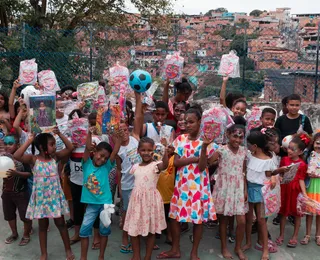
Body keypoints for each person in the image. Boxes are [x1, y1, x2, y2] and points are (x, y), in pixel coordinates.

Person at [157, 108, 218, 260]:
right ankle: (175, 249)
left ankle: (194, 253)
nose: (188, 125)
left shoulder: (207, 142)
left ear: (199, 122)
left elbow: (204, 167)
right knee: (174, 218)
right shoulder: (180, 139)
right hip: (182, 184)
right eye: (186, 122)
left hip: (199, 186)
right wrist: (194, 158)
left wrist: (203, 148)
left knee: (198, 221)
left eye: (191, 122)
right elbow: (177, 162)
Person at [13, 129, 75, 260]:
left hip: (54, 198)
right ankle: (44, 254)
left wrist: (59, 134)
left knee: (61, 224)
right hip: (41, 199)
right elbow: (17, 156)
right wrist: (29, 140)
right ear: (41, 147)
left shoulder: (55, 157)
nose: (54, 147)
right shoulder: (33, 159)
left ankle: (68, 250)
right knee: (43, 226)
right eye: (51, 144)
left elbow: (70, 147)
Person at [243, 131, 287, 260]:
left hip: (261, 191)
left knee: (261, 221)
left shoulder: (268, 160)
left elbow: (269, 175)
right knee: (249, 219)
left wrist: (276, 175)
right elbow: (245, 173)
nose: (248, 147)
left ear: (255, 146)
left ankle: (265, 249)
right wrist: (245, 190)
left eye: (249, 144)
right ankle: (248, 242)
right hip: (249, 189)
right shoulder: (249, 156)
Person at [79, 127, 122, 260]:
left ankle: (101, 256)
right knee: (83, 232)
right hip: (91, 205)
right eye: (100, 155)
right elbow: (86, 148)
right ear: (95, 151)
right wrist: (90, 133)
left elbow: (115, 151)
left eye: (106, 158)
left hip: (106, 204)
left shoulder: (107, 166)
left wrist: (118, 139)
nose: (102, 159)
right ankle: (83, 257)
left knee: (104, 232)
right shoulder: (86, 164)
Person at [124, 137, 168, 260]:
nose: (146, 153)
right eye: (143, 150)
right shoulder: (135, 167)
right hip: (137, 202)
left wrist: (164, 152)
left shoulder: (156, 165)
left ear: (154, 150)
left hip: (151, 201)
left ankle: (147, 256)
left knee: (151, 230)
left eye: (149, 150)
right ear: (138, 151)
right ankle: (136, 256)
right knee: (133, 228)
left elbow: (165, 165)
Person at [209, 124, 247, 260]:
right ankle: (224, 247)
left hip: (238, 188)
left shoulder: (244, 151)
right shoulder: (221, 150)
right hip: (224, 188)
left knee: (241, 221)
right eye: (234, 136)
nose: (237, 140)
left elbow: (243, 172)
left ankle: (238, 247)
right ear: (228, 135)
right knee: (223, 219)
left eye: (240, 137)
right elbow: (208, 162)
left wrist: (245, 190)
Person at [117, 92, 143, 254]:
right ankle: (125, 238)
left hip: (141, 183)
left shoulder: (135, 138)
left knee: (141, 211)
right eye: (120, 131)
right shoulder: (118, 149)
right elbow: (119, 170)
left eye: (125, 129)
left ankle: (142, 237)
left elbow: (138, 117)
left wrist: (138, 98)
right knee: (127, 212)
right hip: (127, 185)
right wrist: (119, 189)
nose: (124, 132)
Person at [275, 135, 309, 248]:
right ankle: (281, 235)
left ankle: (295, 236)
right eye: (288, 147)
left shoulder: (302, 165)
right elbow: (280, 174)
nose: (289, 150)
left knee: (297, 214)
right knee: (283, 213)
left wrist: (304, 194)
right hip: (284, 189)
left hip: (295, 192)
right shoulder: (284, 160)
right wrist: (280, 177)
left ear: (300, 152)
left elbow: (301, 180)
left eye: (292, 149)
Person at [2, 134, 32, 246]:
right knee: (9, 215)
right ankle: (14, 234)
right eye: (5, 143)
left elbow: (29, 174)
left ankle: (26, 235)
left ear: (18, 145)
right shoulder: (3, 157)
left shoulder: (22, 157)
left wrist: (16, 173)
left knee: (25, 216)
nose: (7, 146)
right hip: (6, 192)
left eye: (10, 143)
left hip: (21, 192)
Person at [301, 132, 320, 246]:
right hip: (310, 185)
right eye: (317, 143)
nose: (319, 146)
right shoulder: (308, 155)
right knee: (309, 212)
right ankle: (307, 234)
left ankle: (318, 235)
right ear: (313, 143)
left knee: (319, 213)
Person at [157, 144, 176, 245]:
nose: (167, 149)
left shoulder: (174, 159)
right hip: (158, 194)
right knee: (157, 214)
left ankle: (169, 236)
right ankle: (157, 233)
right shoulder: (157, 157)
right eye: (165, 147)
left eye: (170, 147)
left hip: (170, 194)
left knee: (169, 217)